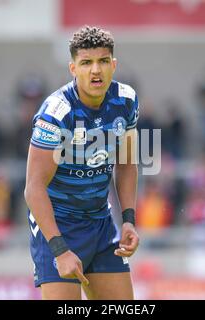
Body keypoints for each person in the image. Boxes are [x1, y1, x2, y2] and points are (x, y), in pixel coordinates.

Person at [24, 26, 140, 300]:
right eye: (86, 63)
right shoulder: (56, 113)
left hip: (100, 222)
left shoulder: (127, 100)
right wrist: (60, 249)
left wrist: (128, 220)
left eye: (102, 62)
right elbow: (34, 188)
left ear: (113, 65)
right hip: (57, 224)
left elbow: (126, 164)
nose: (95, 70)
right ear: (73, 68)